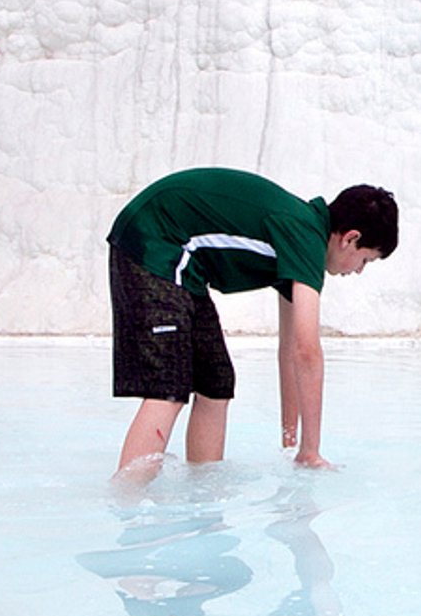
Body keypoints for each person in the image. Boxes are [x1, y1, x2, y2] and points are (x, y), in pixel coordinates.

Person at [106, 168, 397, 475]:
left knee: (216, 382)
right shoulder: (306, 236)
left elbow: (290, 350)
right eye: (366, 259)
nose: (359, 270)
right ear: (350, 239)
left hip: (184, 263)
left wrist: (291, 443)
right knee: (168, 386)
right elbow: (307, 351)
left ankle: (203, 489)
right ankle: (128, 502)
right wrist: (311, 452)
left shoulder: (301, 236)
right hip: (153, 241)